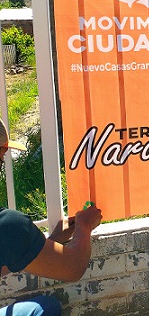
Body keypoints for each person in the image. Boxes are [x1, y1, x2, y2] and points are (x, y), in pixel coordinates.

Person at [0, 119, 102, 316]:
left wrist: (50, 241)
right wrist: (84, 226)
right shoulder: (8, 226)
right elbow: (73, 268)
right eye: (1, 159)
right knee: (47, 308)